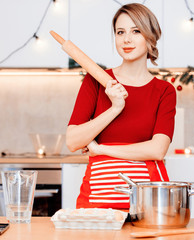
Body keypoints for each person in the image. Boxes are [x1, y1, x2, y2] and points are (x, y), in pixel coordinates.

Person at [66, 3, 176, 210]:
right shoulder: (96, 81)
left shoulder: (164, 91)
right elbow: (73, 141)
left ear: (150, 37)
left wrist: (101, 149)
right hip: (98, 200)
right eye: (120, 32)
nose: (126, 39)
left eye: (136, 31)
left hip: (147, 201)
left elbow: (157, 149)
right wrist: (115, 108)